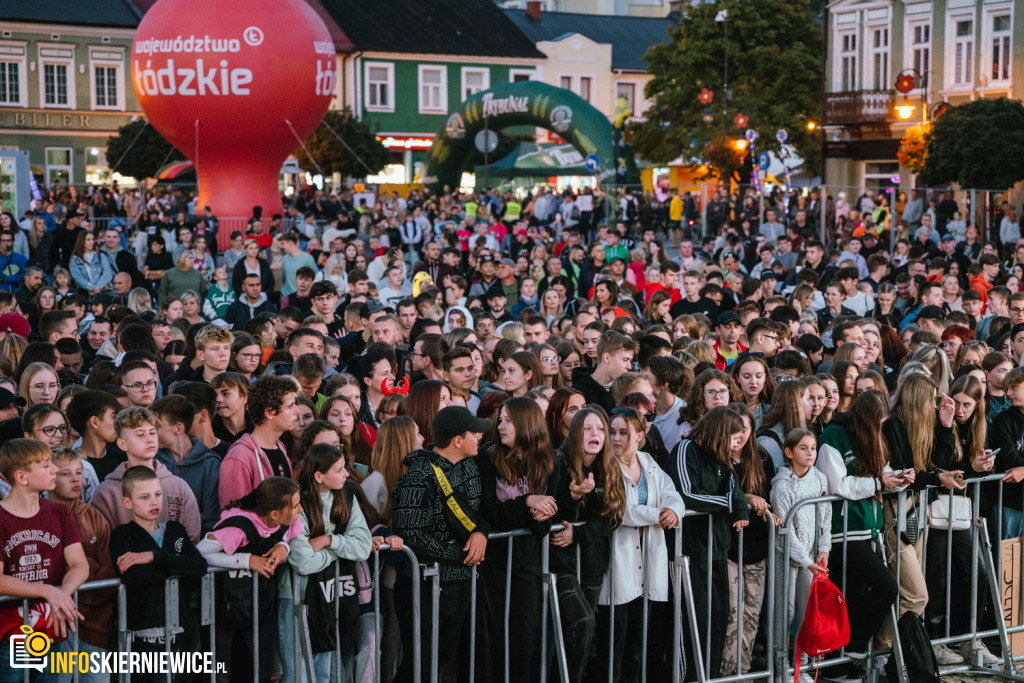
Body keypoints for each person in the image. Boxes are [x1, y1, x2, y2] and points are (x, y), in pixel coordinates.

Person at [391, 406, 491, 681]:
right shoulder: (418, 476)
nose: (480, 437)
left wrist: (480, 533)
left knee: (442, 658)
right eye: (475, 433)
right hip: (422, 585)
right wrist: (461, 555)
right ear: (458, 440)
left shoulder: (471, 466)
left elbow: (479, 514)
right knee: (420, 664)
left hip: (459, 582)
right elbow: (411, 533)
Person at [476, 397, 563, 683]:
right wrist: (527, 502)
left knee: (526, 635)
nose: (500, 426)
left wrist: (541, 517)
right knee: (493, 637)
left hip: (528, 562)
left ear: (526, 423)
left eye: (507, 420)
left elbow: (549, 515)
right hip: (494, 563)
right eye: (500, 419)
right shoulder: (487, 457)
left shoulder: (551, 461)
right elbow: (490, 512)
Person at [815, 391, 900, 677]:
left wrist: (898, 480)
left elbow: (882, 474)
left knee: (850, 595)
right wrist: (878, 482)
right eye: (877, 422)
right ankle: (851, 645)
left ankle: (839, 659)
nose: (880, 428)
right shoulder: (834, 436)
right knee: (886, 587)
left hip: (866, 527)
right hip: (842, 530)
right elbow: (840, 485)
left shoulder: (871, 437)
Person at [598, 405, 684, 681]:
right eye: (612, 432)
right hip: (617, 558)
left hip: (648, 558)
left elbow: (672, 493)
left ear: (639, 435)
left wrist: (672, 511)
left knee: (639, 644)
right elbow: (615, 509)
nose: (616, 438)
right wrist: (656, 514)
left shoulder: (648, 461)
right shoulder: (603, 464)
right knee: (613, 643)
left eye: (624, 432)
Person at [666, 406, 749, 681]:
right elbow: (686, 494)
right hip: (688, 552)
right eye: (734, 438)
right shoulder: (685, 449)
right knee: (693, 622)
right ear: (719, 432)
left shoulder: (723, 460)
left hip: (717, 551)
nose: (738, 444)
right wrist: (732, 504)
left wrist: (735, 501)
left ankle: (709, 677)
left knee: (717, 620)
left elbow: (733, 491)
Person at [198, 476, 304, 683]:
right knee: (219, 674)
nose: (301, 510)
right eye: (296, 505)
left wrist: (285, 547)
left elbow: (295, 536)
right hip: (223, 608)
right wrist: (247, 560)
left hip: (258, 606)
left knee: (268, 672)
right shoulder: (238, 526)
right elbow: (200, 553)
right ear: (275, 514)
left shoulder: (288, 519)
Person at [281, 444, 372, 683]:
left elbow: (363, 546)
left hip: (331, 596)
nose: (346, 474)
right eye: (339, 470)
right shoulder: (297, 503)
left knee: (325, 671)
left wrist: (327, 540)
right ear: (319, 476)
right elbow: (303, 561)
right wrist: (340, 550)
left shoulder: (347, 497)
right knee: (298, 671)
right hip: (298, 597)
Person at [0, 438, 89, 682]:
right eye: (44, 465)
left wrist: (63, 594)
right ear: (21, 477)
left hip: (52, 625)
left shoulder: (59, 512)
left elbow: (80, 565)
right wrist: (49, 592)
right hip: (13, 631)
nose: (54, 469)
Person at [109, 465, 208, 682]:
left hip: (181, 634)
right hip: (145, 640)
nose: (154, 502)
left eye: (157, 494)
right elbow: (134, 576)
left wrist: (155, 557)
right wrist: (174, 566)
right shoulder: (122, 536)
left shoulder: (174, 530)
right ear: (127, 502)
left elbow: (197, 566)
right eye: (144, 497)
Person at [551, 407, 625, 683]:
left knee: (585, 630)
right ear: (575, 433)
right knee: (581, 623)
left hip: (593, 563)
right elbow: (551, 514)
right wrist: (572, 497)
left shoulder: (609, 467)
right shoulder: (558, 463)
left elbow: (614, 517)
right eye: (587, 429)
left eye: (600, 429)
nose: (595, 434)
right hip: (561, 564)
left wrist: (579, 534)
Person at [770, 429, 831, 683]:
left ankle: (802, 664)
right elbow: (785, 533)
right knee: (786, 610)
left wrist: (824, 548)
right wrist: (806, 560)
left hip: (811, 559)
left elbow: (825, 515)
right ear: (789, 452)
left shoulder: (819, 479)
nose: (810, 453)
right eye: (803, 448)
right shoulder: (782, 486)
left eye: (813, 448)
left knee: (807, 611)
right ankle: (781, 665)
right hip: (788, 557)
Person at [89, 407, 202, 543]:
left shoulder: (179, 486)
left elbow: (192, 538)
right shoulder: (106, 492)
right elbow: (102, 543)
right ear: (122, 444)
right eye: (140, 434)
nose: (149, 439)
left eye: (152, 433)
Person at [48, 448, 116, 673]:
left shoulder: (95, 517)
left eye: (79, 472)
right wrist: (87, 567)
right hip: (53, 626)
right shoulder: (39, 516)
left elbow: (108, 569)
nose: (76, 478)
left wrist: (83, 573)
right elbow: (51, 572)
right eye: (66, 474)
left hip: (95, 625)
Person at [721, 403, 775, 678]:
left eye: (745, 427)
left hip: (756, 548)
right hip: (726, 548)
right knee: (732, 617)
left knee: (750, 617)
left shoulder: (762, 458)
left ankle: (741, 672)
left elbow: (772, 497)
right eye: (734, 428)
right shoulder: (716, 459)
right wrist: (745, 497)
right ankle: (728, 675)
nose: (740, 434)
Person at [218, 375, 298, 508]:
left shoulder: (280, 447)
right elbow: (232, 514)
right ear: (269, 413)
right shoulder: (239, 457)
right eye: (290, 406)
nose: (297, 411)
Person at [151, 394, 222, 535]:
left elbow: (212, 519)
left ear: (178, 428)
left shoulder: (211, 464)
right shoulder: (152, 460)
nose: (151, 431)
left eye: (157, 425)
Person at [571, 329, 638, 414]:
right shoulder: (578, 392)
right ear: (607, 358)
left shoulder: (628, 389)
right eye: (625, 360)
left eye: (630, 361)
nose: (629, 367)